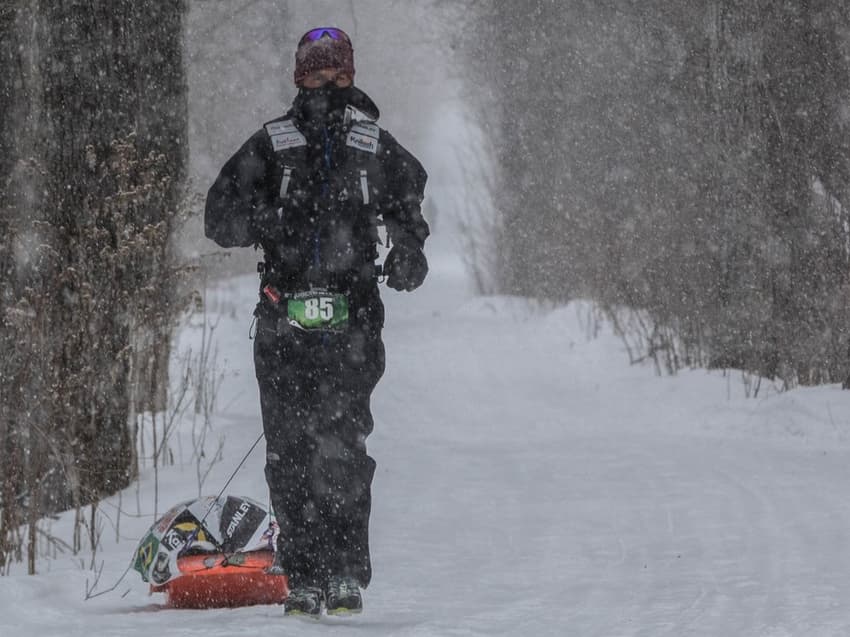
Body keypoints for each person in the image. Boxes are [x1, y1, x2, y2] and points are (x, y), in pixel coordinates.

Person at [204, 27, 429, 617]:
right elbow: (218, 215)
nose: (326, 83)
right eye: (315, 72)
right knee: (289, 453)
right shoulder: (272, 145)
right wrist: (268, 219)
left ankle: (345, 574)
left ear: (351, 76)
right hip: (284, 322)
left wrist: (409, 248)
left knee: (344, 450)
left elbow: (410, 198)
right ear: (297, 77)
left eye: (337, 73)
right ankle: (302, 575)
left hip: (352, 325)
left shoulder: (372, 144)